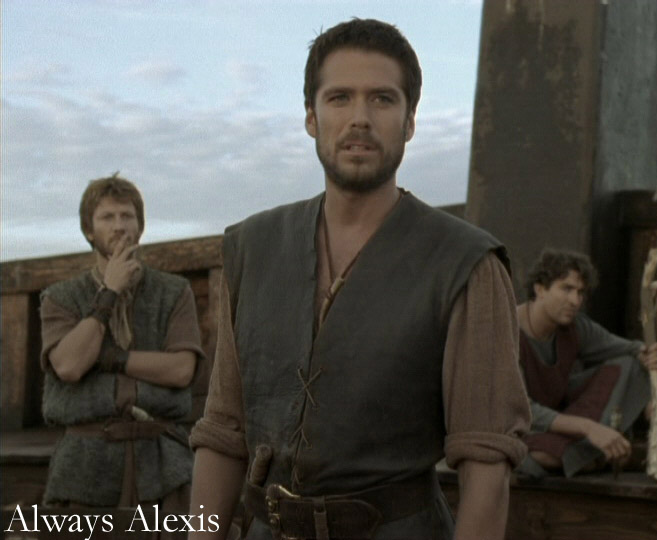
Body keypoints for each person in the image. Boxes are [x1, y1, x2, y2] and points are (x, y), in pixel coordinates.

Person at [189, 18, 529, 540]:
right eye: (340, 98)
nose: (360, 119)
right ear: (312, 116)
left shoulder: (464, 262)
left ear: (409, 121)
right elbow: (223, 433)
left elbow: (487, 465)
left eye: (383, 100)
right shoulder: (253, 247)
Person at [40, 174, 205, 520]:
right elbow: (69, 366)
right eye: (107, 217)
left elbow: (181, 370)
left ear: (140, 226)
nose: (119, 226)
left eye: (127, 216)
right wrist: (109, 292)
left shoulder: (173, 291)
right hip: (84, 465)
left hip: (163, 464)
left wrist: (110, 358)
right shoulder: (61, 298)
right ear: (89, 230)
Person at [516, 248, 657, 480]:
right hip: (520, 428)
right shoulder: (505, 334)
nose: (575, 301)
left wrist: (653, 354)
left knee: (634, 366)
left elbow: (629, 349)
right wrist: (590, 428)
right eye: (566, 289)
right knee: (535, 457)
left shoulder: (575, 327)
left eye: (580, 292)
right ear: (540, 288)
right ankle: (617, 456)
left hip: (563, 420)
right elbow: (521, 410)